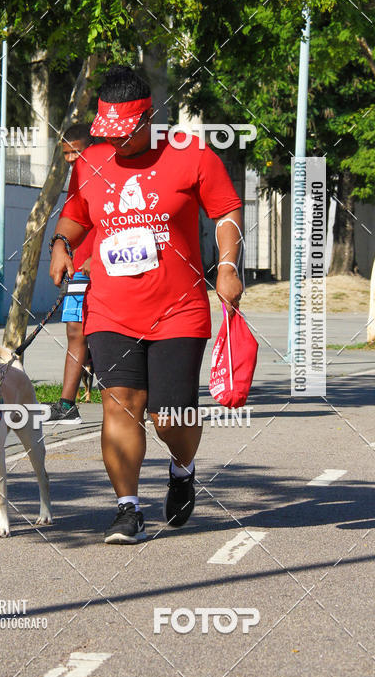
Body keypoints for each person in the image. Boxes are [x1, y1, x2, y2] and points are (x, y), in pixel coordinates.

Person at [49, 65, 243, 544]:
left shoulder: (191, 155)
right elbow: (75, 214)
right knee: (121, 403)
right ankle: (127, 508)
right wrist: (59, 242)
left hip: (179, 310)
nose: (116, 144)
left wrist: (228, 265)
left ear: (150, 116)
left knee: (171, 415)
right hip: (111, 308)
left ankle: (182, 468)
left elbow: (225, 211)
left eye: (126, 133)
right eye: (108, 134)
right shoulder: (89, 162)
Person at [45, 124, 96, 426]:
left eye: (76, 151)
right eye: (65, 152)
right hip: (79, 270)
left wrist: (95, 258)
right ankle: (67, 404)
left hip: (109, 268)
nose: (70, 158)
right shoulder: (76, 182)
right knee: (75, 331)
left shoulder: (109, 176)